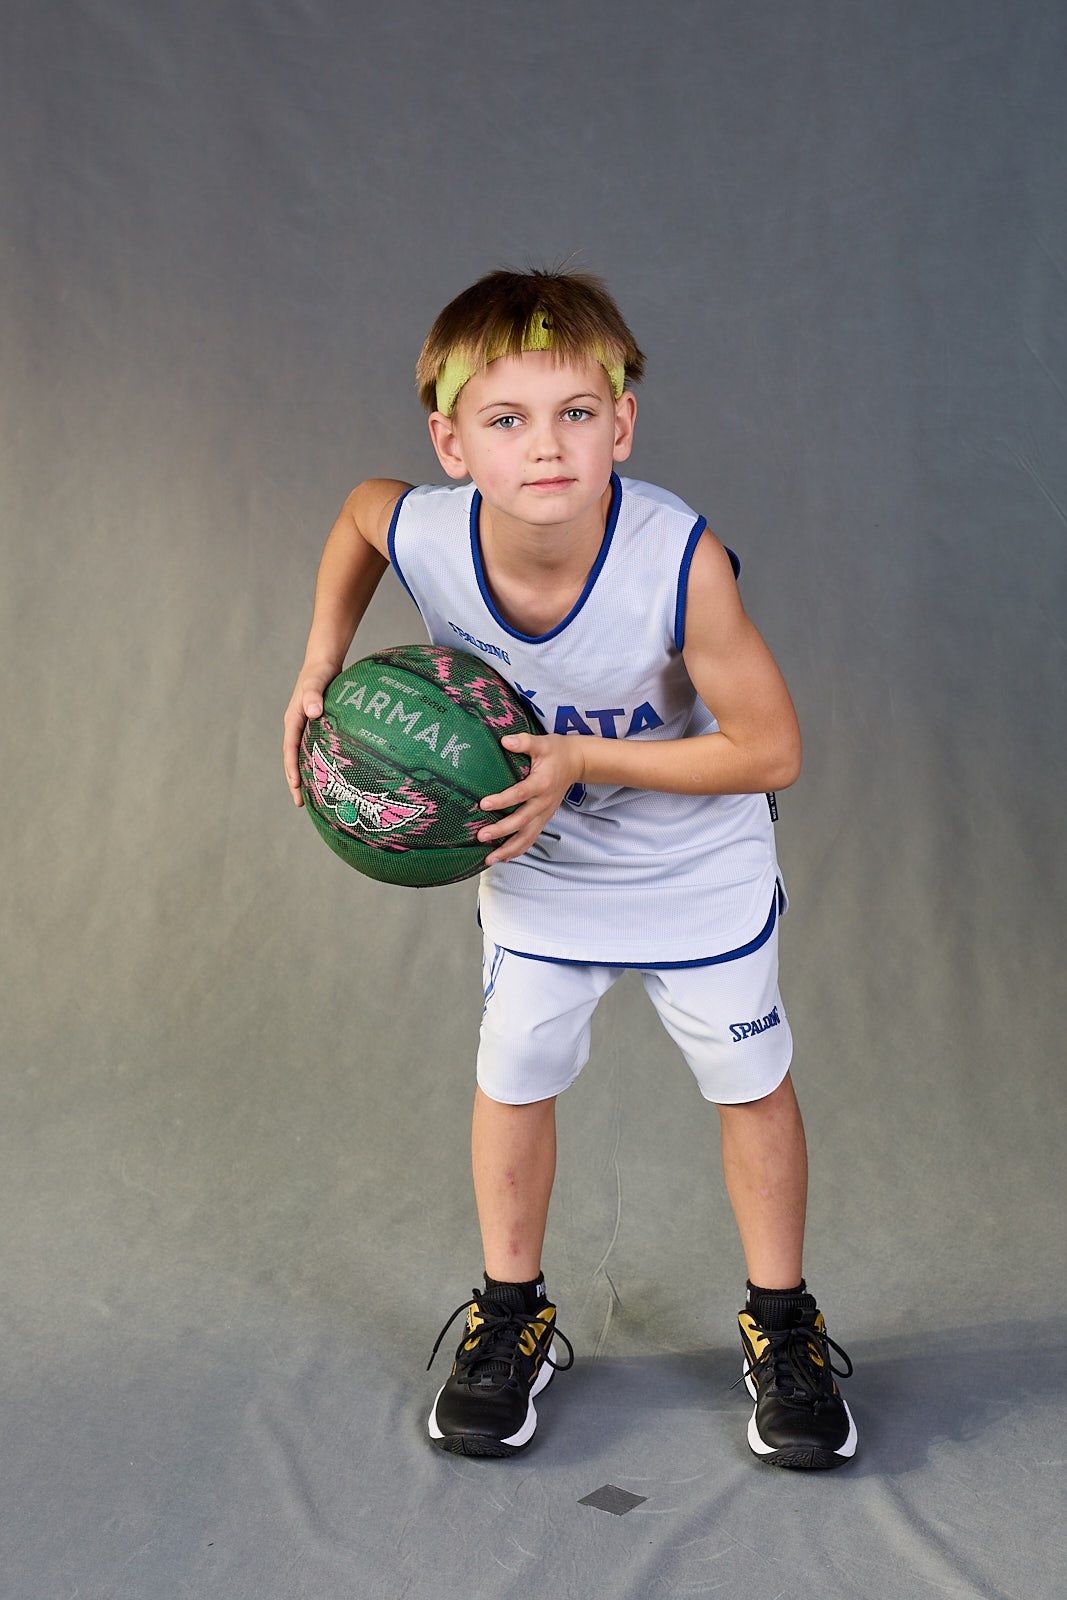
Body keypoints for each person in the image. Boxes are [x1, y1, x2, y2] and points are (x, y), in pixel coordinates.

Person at [282, 267, 856, 1471]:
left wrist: (581, 759)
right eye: (506, 419)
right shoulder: (433, 533)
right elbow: (356, 513)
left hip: (690, 862)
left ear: (621, 425)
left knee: (749, 1082)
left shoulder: (675, 559)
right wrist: (318, 661)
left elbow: (771, 749)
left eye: (576, 413)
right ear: (452, 445)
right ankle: (510, 1317)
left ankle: (783, 1324)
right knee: (514, 1074)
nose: (545, 445)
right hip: (540, 864)